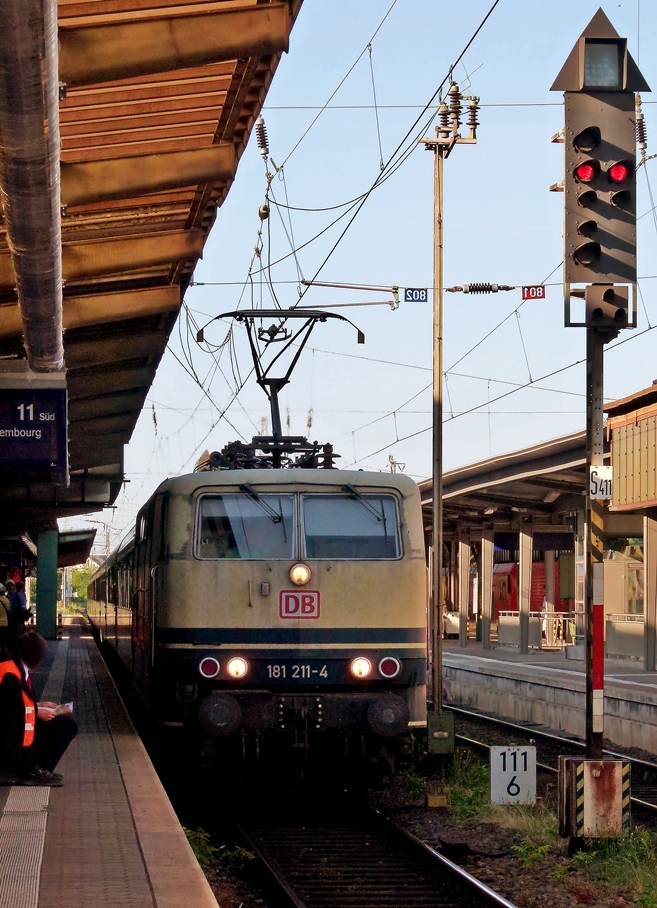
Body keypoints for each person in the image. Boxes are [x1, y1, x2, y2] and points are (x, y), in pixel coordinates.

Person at [0, 630, 78, 786]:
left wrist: (39, 705)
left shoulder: (15, 668)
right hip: (8, 740)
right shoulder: (11, 675)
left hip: (13, 733)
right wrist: (37, 713)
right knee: (66, 726)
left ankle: (34, 768)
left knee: (64, 723)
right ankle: (33, 770)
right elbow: (8, 712)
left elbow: (14, 703)